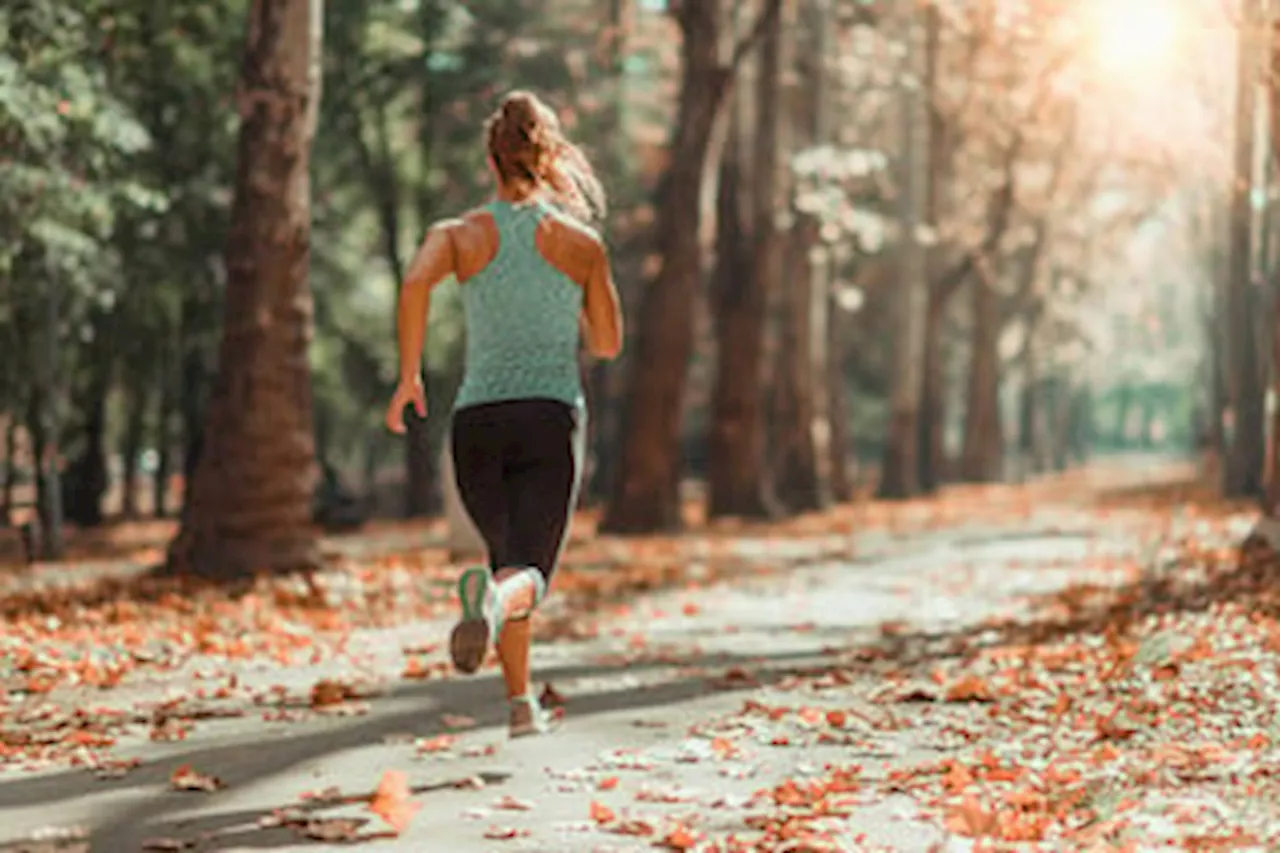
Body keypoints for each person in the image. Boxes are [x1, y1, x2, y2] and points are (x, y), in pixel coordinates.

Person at [384, 90, 623, 738]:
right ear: (548, 159)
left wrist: (408, 375)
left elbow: (413, 284)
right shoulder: (579, 243)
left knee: (505, 562)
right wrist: (565, 298)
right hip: (548, 419)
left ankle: (520, 705)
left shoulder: (457, 236)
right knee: (528, 576)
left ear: (491, 161)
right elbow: (606, 343)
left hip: (476, 422)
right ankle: (490, 613)